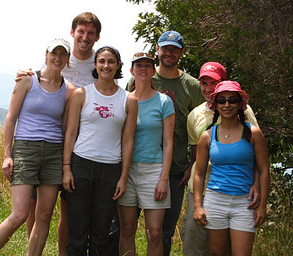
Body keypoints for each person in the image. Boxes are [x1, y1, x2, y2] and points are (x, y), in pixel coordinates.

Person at [16, 12, 102, 255]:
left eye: (90, 33)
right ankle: (33, 251)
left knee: (67, 207)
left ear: (97, 37)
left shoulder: (98, 63)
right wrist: (24, 73)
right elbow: (38, 82)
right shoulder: (60, 56)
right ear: (73, 32)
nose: (85, 37)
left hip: (80, 143)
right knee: (34, 206)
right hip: (48, 141)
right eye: (81, 32)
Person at [0, 39, 75, 256]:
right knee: (20, 214)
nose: (58, 58)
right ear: (46, 55)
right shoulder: (27, 81)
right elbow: (10, 118)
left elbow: (64, 128)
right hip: (25, 148)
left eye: (63, 55)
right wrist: (7, 154)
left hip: (53, 152)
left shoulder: (68, 90)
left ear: (67, 59)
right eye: (54, 53)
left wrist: (65, 162)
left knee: (44, 217)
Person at [128, 30, 204, 255]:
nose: (169, 52)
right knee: (124, 228)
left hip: (175, 170)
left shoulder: (191, 85)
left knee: (162, 232)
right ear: (158, 50)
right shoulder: (140, 77)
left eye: (175, 48)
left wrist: (193, 164)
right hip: (134, 163)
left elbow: (201, 127)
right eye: (165, 48)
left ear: (181, 52)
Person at [62, 46, 138, 255]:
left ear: (118, 66)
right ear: (95, 65)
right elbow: (70, 133)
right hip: (81, 166)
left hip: (111, 170)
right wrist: (67, 168)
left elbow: (128, 140)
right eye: (102, 61)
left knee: (101, 233)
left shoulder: (129, 99)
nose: (106, 65)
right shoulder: (81, 94)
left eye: (111, 61)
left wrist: (123, 177)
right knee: (76, 232)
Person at [181, 62, 260, 255]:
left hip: (237, 187)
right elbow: (195, 156)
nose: (208, 89)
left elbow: (256, 153)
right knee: (196, 246)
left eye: (213, 83)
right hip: (202, 189)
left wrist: (256, 183)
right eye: (203, 83)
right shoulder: (194, 115)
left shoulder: (244, 111)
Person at [193, 81, 270, 255]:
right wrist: (198, 206)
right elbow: (199, 173)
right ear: (216, 105)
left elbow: (264, 170)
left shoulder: (253, 133)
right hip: (215, 201)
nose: (227, 105)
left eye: (232, 100)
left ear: (240, 104)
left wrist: (262, 206)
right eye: (222, 100)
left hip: (245, 203)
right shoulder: (207, 136)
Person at [118, 52, 175, 256]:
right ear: (132, 70)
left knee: (154, 232)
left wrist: (163, 178)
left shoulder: (163, 101)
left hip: (154, 170)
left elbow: (168, 143)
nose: (143, 69)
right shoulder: (123, 100)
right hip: (127, 169)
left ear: (153, 71)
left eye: (147, 66)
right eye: (138, 65)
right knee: (126, 230)